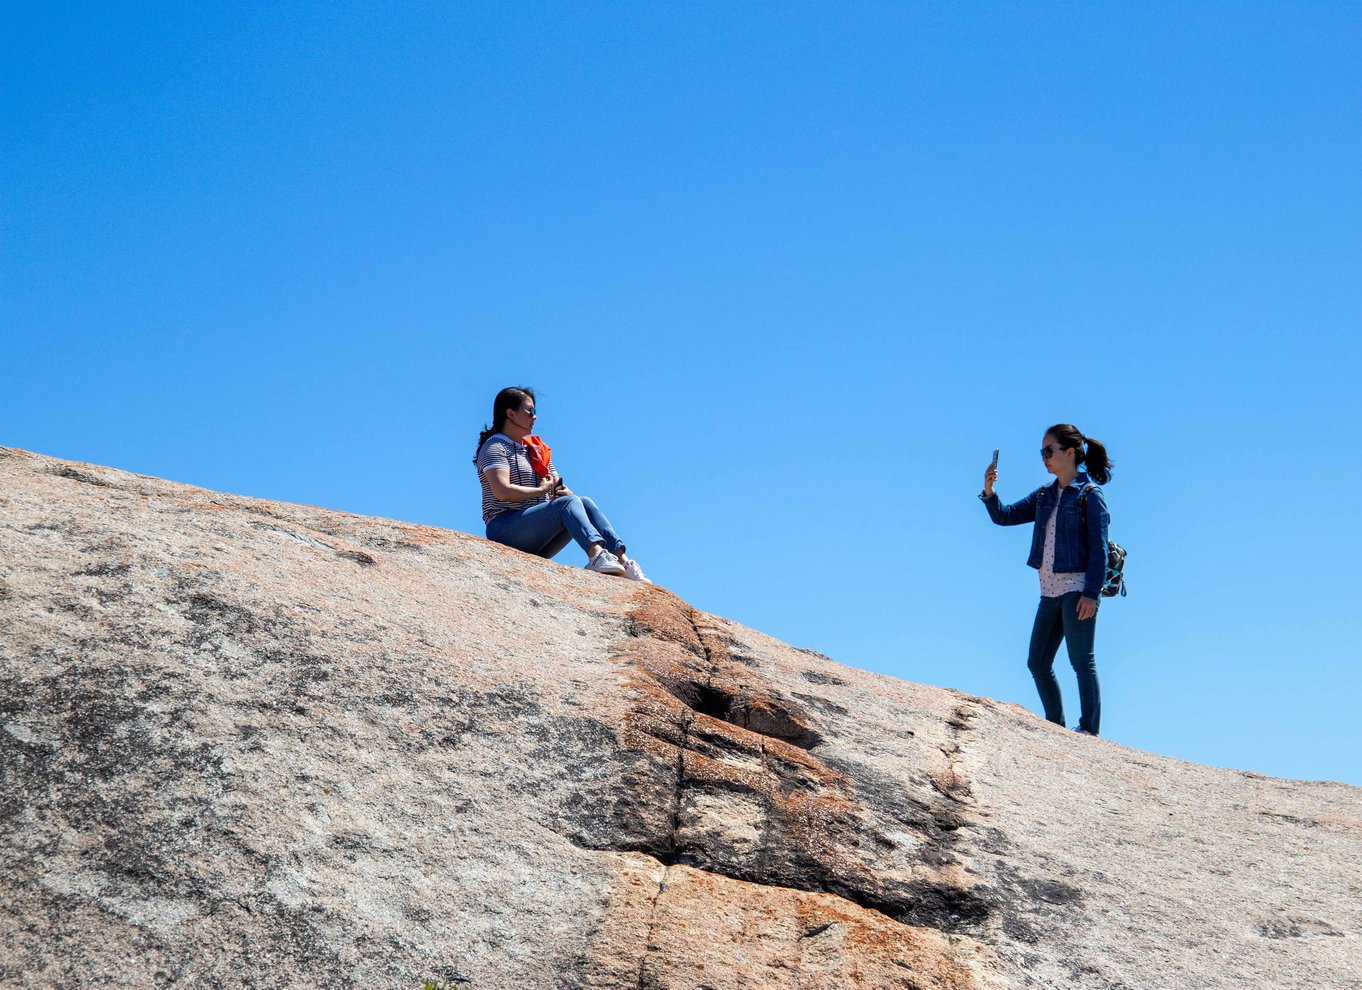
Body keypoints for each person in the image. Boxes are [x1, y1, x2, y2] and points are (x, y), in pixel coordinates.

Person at [980, 424, 1112, 736]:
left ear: (1070, 453)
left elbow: (1100, 550)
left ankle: (1089, 730)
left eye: (1049, 451)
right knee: (1037, 662)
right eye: (1042, 452)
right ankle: (1056, 728)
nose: (1044, 457)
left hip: (1078, 589)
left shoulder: (1090, 496)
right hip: (1048, 592)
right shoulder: (1044, 495)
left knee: (1082, 662)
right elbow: (1005, 516)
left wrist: (1091, 594)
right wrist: (989, 492)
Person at [474, 386, 649, 582]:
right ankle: (596, 554)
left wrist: (564, 493)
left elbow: (557, 485)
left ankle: (624, 562)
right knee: (569, 504)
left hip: (535, 534)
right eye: (530, 411)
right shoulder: (495, 446)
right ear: (510, 414)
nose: (535, 417)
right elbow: (502, 491)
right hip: (504, 528)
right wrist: (539, 491)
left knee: (583, 501)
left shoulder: (536, 449)